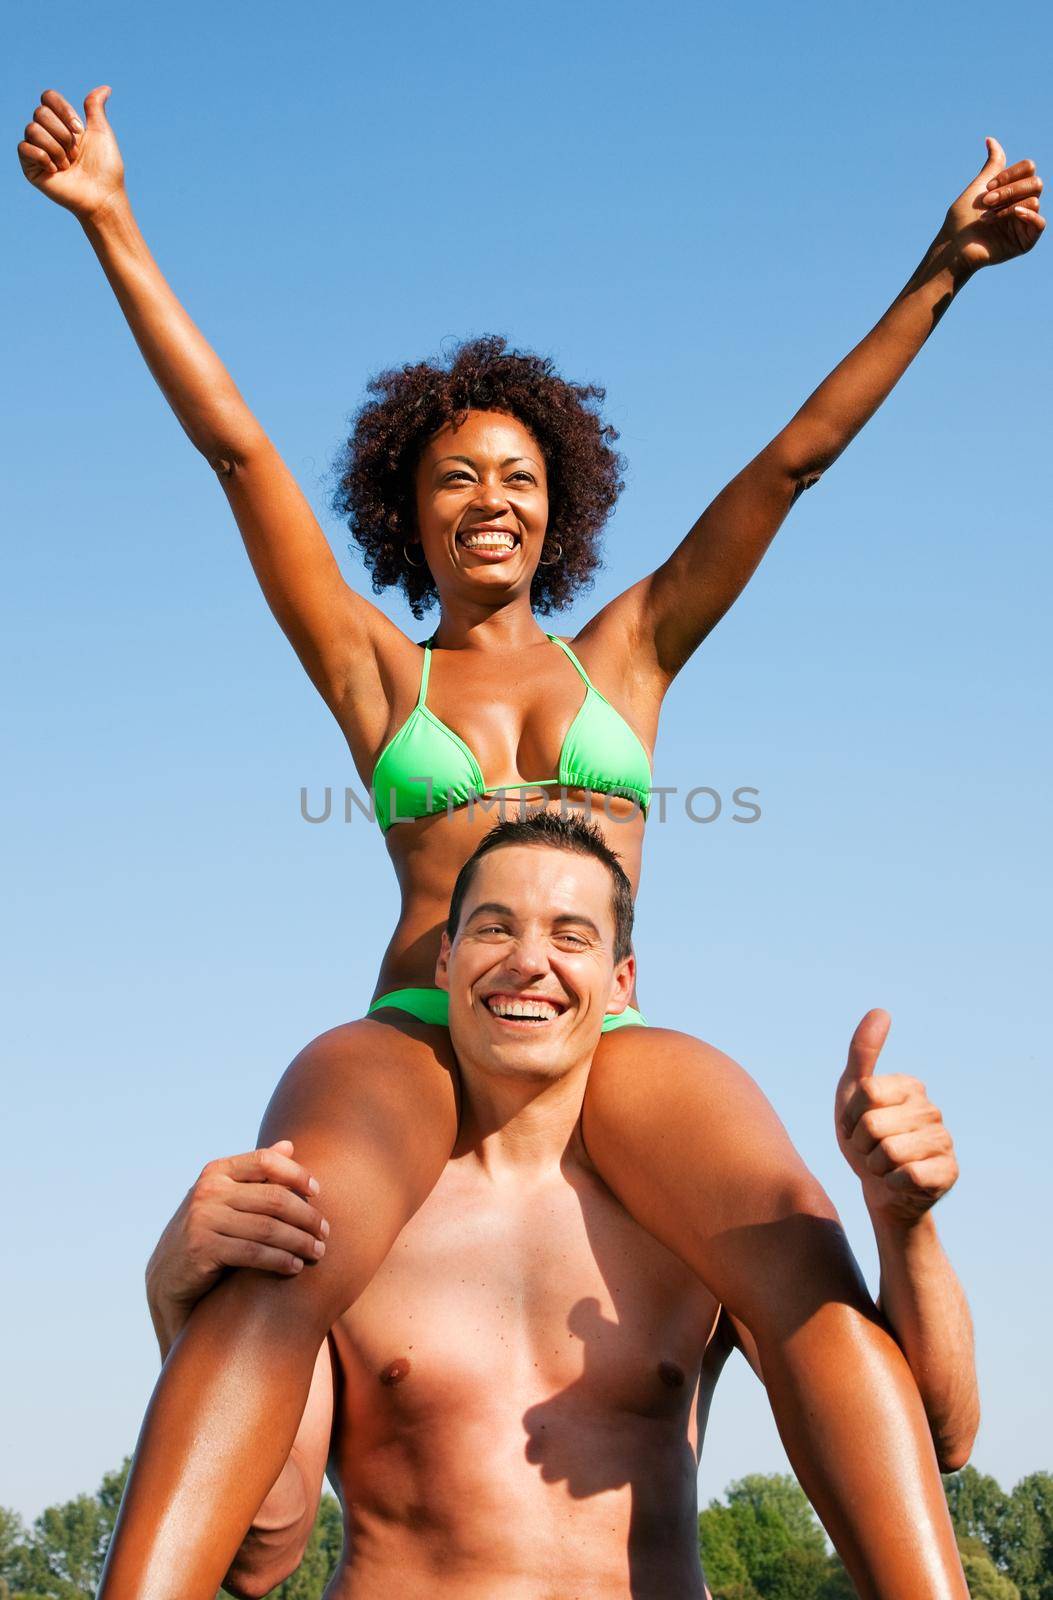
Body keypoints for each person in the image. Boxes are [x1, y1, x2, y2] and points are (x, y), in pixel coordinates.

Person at [102, 811, 969, 1599]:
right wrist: (174, 1304)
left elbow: (935, 1444)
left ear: (620, 981)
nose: (529, 960)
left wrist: (905, 1227)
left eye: (570, 936)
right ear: (444, 964)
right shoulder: (356, 1217)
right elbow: (263, 1555)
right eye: (493, 928)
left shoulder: (690, 1221)